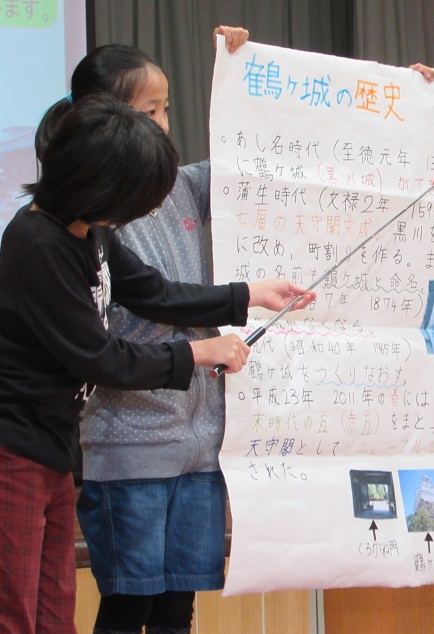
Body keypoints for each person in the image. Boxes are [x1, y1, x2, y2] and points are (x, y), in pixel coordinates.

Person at [0, 93, 314, 634]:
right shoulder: (38, 245)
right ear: (99, 187)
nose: (144, 212)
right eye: (137, 199)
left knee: (53, 610)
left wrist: (248, 295)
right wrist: (197, 352)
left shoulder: (88, 230)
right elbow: (102, 359)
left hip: (51, 446)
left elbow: (152, 292)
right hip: (15, 451)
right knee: (16, 612)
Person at [31, 27, 250, 634]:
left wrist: (239, 70)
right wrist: (204, 344)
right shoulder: (90, 215)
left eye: (165, 109)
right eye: (146, 112)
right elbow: (126, 325)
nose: (161, 125)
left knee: (177, 607)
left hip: (197, 439)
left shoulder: (177, 185)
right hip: (126, 440)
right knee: (130, 605)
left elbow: (255, 162)